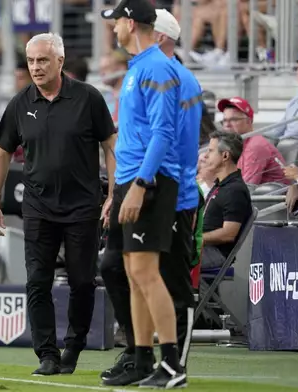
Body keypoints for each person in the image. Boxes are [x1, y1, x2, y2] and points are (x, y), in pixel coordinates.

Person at [0, 32, 117, 376]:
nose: (36, 67)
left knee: (83, 281)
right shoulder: (20, 102)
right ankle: (46, 353)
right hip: (39, 206)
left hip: (83, 206)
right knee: (37, 282)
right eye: (31, 61)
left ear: (60, 61)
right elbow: (1, 153)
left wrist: (114, 194)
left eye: (42, 60)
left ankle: (74, 346)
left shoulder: (88, 98)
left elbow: (110, 145)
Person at [99, 9, 203, 386]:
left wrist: (142, 185)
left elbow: (164, 134)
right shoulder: (141, 67)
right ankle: (143, 358)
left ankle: (173, 364)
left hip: (153, 181)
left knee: (147, 272)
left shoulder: (157, 68)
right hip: (136, 178)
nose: (112, 26)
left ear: (131, 23)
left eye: (116, 19)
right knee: (132, 272)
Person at [200, 131, 252, 270]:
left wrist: (196, 239)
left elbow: (228, 234)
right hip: (204, 249)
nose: (205, 156)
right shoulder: (221, 185)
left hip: (215, 253)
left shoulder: (235, 189)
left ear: (225, 155)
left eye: (210, 151)